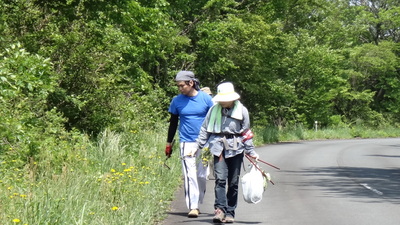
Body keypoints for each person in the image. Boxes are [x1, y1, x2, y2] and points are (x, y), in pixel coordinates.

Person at [196, 82, 259, 223]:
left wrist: (251, 151)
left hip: (236, 149)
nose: (222, 102)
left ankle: (230, 212)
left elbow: (246, 132)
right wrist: (198, 146)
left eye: (225, 99)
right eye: (221, 99)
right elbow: (205, 129)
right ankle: (220, 210)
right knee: (220, 179)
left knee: (234, 182)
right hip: (218, 147)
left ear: (232, 98)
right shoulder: (213, 110)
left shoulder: (242, 111)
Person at [165, 71, 214, 218]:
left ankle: (198, 199)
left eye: (182, 86)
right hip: (186, 142)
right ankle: (193, 206)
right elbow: (173, 123)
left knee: (201, 175)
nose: (180, 89)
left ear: (191, 83)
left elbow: (213, 120)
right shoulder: (177, 101)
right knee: (189, 175)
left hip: (205, 143)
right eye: (178, 86)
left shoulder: (206, 99)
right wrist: (169, 143)